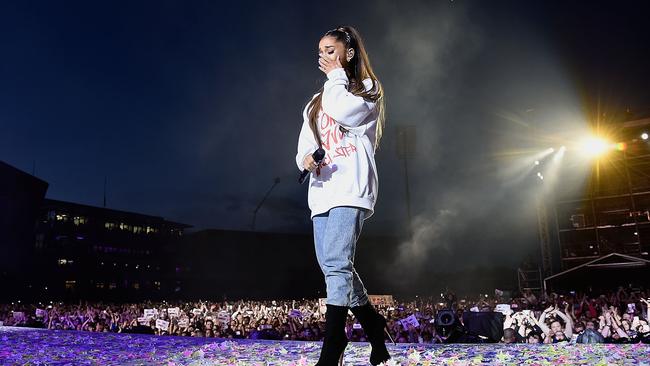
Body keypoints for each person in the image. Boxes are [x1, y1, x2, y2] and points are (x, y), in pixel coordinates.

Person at [295, 25, 388, 366]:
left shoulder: (367, 88)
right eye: (320, 52)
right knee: (336, 267)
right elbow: (305, 143)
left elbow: (346, 112)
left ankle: (334, 340)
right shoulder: (314, 103)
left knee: (335, 263)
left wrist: (335, 77)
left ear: (348, 53)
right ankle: (374, 326)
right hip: (321, 190)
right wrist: (305, 159)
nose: (324, 57)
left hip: (351, 186)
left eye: (330, 50)